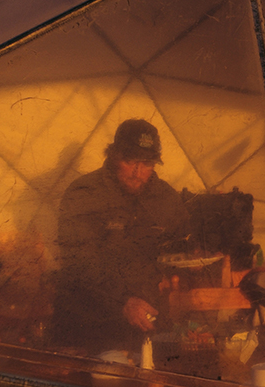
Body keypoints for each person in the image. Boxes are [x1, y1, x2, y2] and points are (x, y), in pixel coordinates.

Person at [54, 119, 189, 353]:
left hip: (147, 321)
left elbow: (181, 245)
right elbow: (79, 264)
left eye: (147, 164)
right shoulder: (84, 193)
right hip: (90, 323)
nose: (138, 173)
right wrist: (122, 302)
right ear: (113, 155)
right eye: (130, 162)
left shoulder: (166, 198)